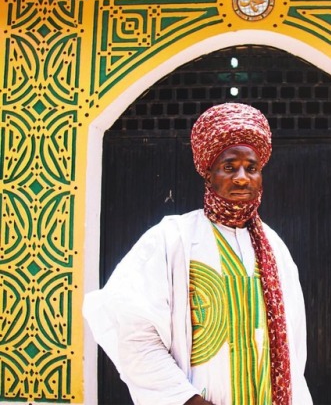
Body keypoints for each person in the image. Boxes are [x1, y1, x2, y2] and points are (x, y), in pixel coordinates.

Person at [83, 103, 313, 405]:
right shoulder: (171, 239)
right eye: (229, 167)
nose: (242, 177)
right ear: (208, 173)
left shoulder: (274, 248)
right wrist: (185, 400)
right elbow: (133, 335)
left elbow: (293, 349)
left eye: (252, 168)